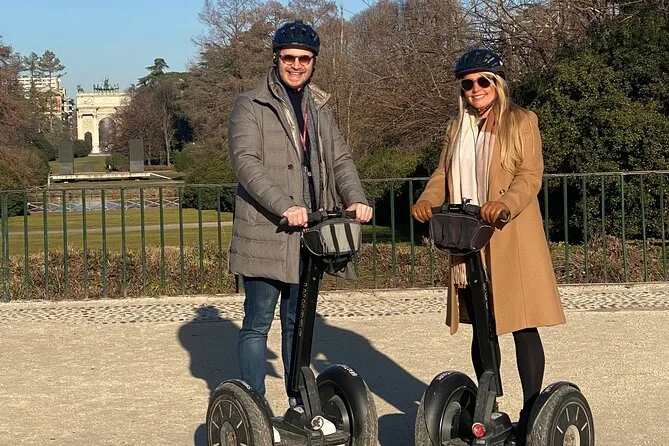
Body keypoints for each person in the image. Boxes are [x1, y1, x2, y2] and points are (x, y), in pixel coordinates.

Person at [411, 48, 566, 445]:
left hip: (508, 234)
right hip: (467, 238)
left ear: (497, 84)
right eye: (468, 83)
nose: (475, 89)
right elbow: (443, 173)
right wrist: (428, 199)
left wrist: (505, 204)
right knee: (482, 326)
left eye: (483, 81)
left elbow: (529, 175)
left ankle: (532, 412)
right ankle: (489, 407)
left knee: (522, 324)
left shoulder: (521, 121)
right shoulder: (457, 127)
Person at [227, 19, 373, 406]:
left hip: (311, 233)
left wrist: (355, 198)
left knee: (298, 324)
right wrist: (285, 206)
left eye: (304, 59)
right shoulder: (250, 105)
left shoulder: (319, 108)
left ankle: (298, 403)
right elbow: (246, 164)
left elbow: (340, 160)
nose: (296, 65)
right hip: (268, 231)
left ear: (313, 62)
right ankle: (255, 408)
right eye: (289, 57)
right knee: (257, 324)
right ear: (276, 58)